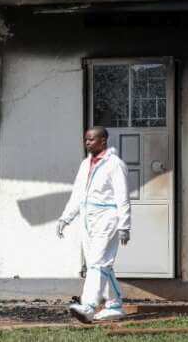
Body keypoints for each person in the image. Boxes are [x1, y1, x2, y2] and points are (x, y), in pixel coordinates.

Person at [56, 126, 131, 323]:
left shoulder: (115, 164)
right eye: (86, 139)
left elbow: (123, 197)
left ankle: (88, 306)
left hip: (108, 218)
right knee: (99, 264)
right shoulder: (85, 164)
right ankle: (114, 305)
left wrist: (125, 225)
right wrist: (66, 217)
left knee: (98, 262)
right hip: (88, 218)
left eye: (91, 139)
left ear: (103, 141)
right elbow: (77, 194)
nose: (87, 142)